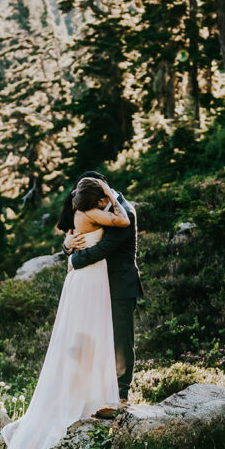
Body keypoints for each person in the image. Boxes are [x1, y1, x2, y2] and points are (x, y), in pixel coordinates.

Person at [0, 177, 130, 449]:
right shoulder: (96, 212)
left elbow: (74, 240)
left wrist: (69, 248)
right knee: (88, 337)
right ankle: (84, 398)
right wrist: (110, 195)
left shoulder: (80, 214)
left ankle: (85, 394)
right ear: (95, 198)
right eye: (100, 196)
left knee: (83, 339)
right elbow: (122, 221)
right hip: (90, 280)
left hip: (84, 279)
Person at [61, 172, 143, 416]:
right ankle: (92, 394)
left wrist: (74, 260)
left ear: (102, 197)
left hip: (120, 285)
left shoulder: (125, 212)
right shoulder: (98, 208)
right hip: (97, 286)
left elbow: (104, 248)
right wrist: (67, 246)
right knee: (93, 338)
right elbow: (80, 235)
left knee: (120, 341)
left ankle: (121, 396)